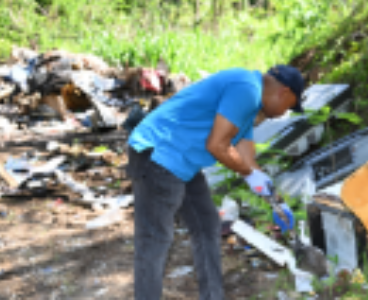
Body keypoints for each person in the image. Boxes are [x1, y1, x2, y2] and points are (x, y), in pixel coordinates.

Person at [126, 65, 307, 299]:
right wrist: (250, 174)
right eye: (290, 106)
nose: (285, 113)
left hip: (183, 160)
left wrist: (276, 201)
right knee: (154, 239)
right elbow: (217, 145)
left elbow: (246, 159)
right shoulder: (246, 90)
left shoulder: (251, 101)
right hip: (158, 153)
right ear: (284, 92)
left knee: (207, 225)